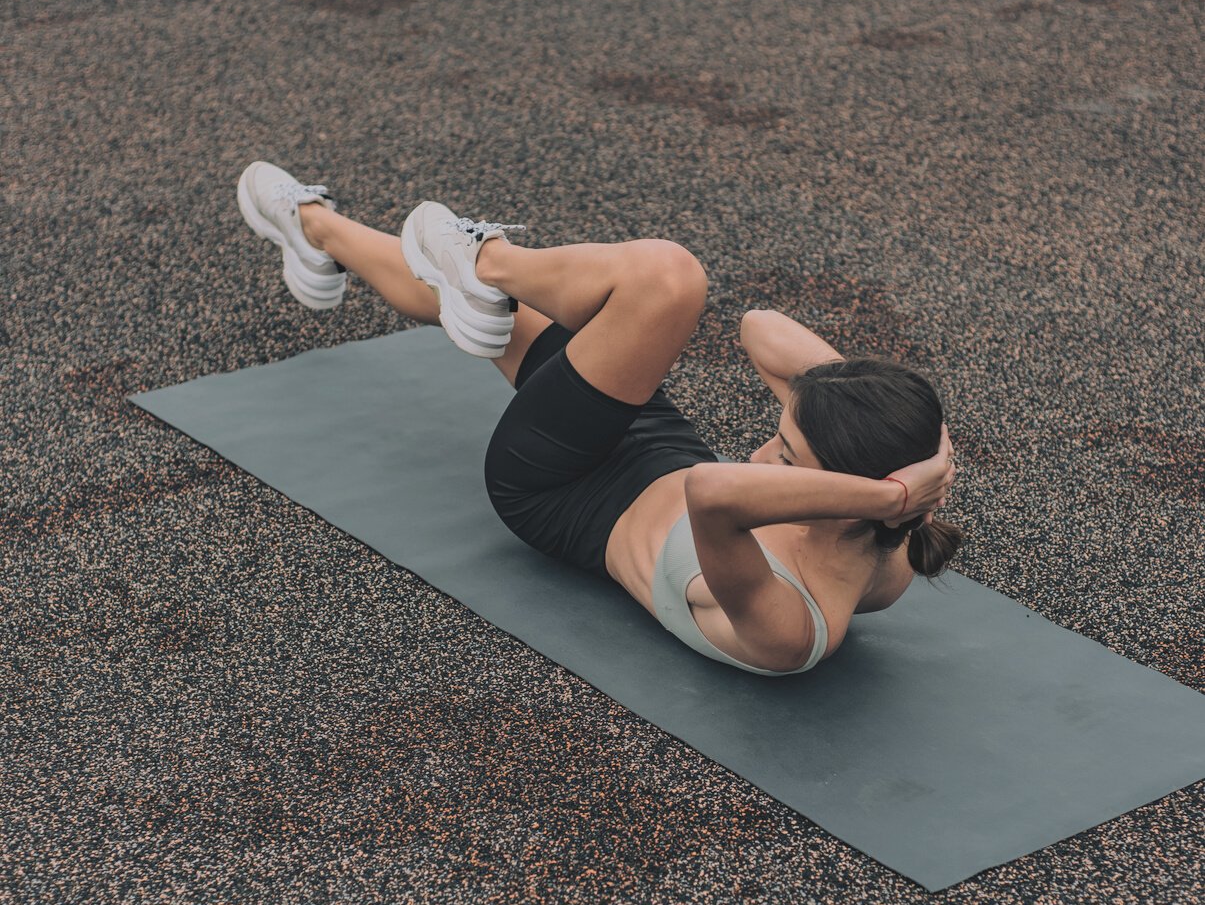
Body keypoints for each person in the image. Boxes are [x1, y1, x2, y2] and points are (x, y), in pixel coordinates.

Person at [238, 162, 960, 676]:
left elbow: (713, 491)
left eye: (787, 455)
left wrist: (896, 487)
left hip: (560, 491)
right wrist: (921, 441)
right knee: (486, 319)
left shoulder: (794, 626)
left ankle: (485, 261)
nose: (765, 454)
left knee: (667, 280)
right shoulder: (888, 539)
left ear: (855, 500)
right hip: (652, 446)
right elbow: (759, 327)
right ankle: (316, 228)